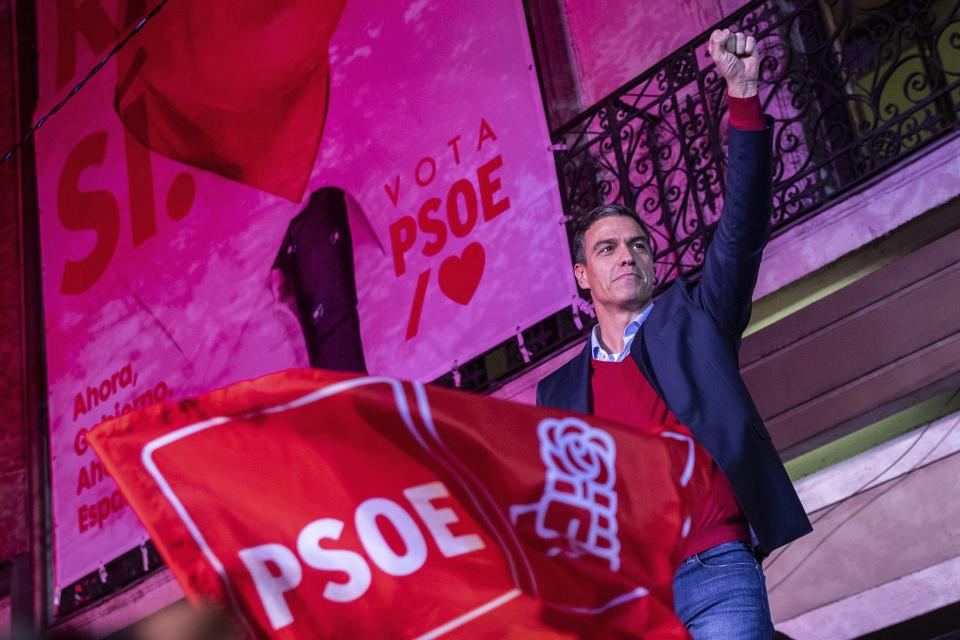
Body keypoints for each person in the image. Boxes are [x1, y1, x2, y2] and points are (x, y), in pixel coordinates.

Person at [536, 28, 812, 638]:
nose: (626, 257)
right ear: (583, 275)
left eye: (638, 245)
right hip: (633, 599)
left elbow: (740, 226)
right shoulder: (556, 394)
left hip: (716, 568)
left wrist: (743, 97)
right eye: (606, 249)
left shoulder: (696, 316)